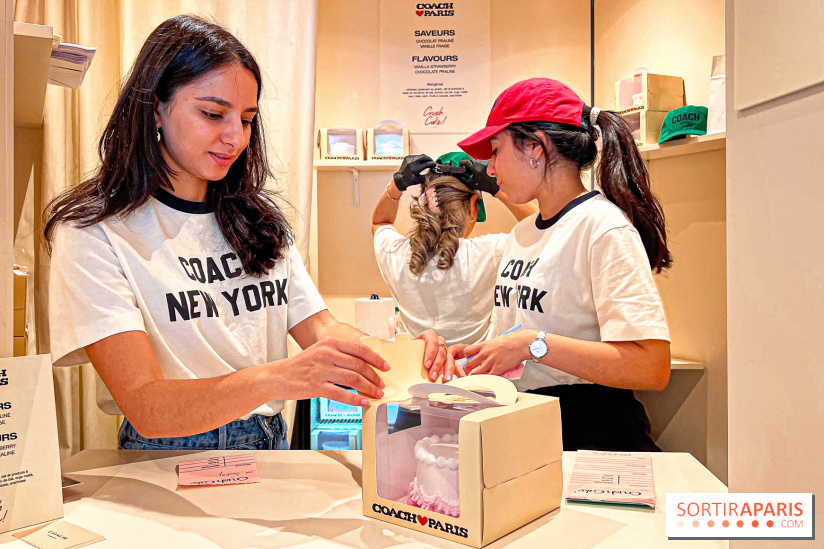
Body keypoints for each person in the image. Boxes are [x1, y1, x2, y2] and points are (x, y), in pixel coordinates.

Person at [43, 15, 448, 451]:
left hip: (268, 442)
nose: (236, 138)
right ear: (156, 107)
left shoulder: (258, 221)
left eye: (248, 119)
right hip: (166, 457)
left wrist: (401, 353)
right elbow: (147, 406)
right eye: (213, 114)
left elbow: (320, 328)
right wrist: (279, 377)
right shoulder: (95, 231)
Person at [436, 78, 672, 451]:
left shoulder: (602, 228)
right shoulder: (523, 233)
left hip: (593, 436)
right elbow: (519, 338)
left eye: (496, 151)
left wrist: (532, 344)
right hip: (529, 426)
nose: (491, 169)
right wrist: (475, 356)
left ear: (535, 147)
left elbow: (651, 367)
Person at [371, 152, 536, 379]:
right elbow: (543, 229)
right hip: (477, 384)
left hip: (419, 383)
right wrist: (498, 190)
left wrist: (397, 184)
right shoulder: (490, 252)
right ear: (473, 207)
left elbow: (380, 222)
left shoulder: (396, 253)